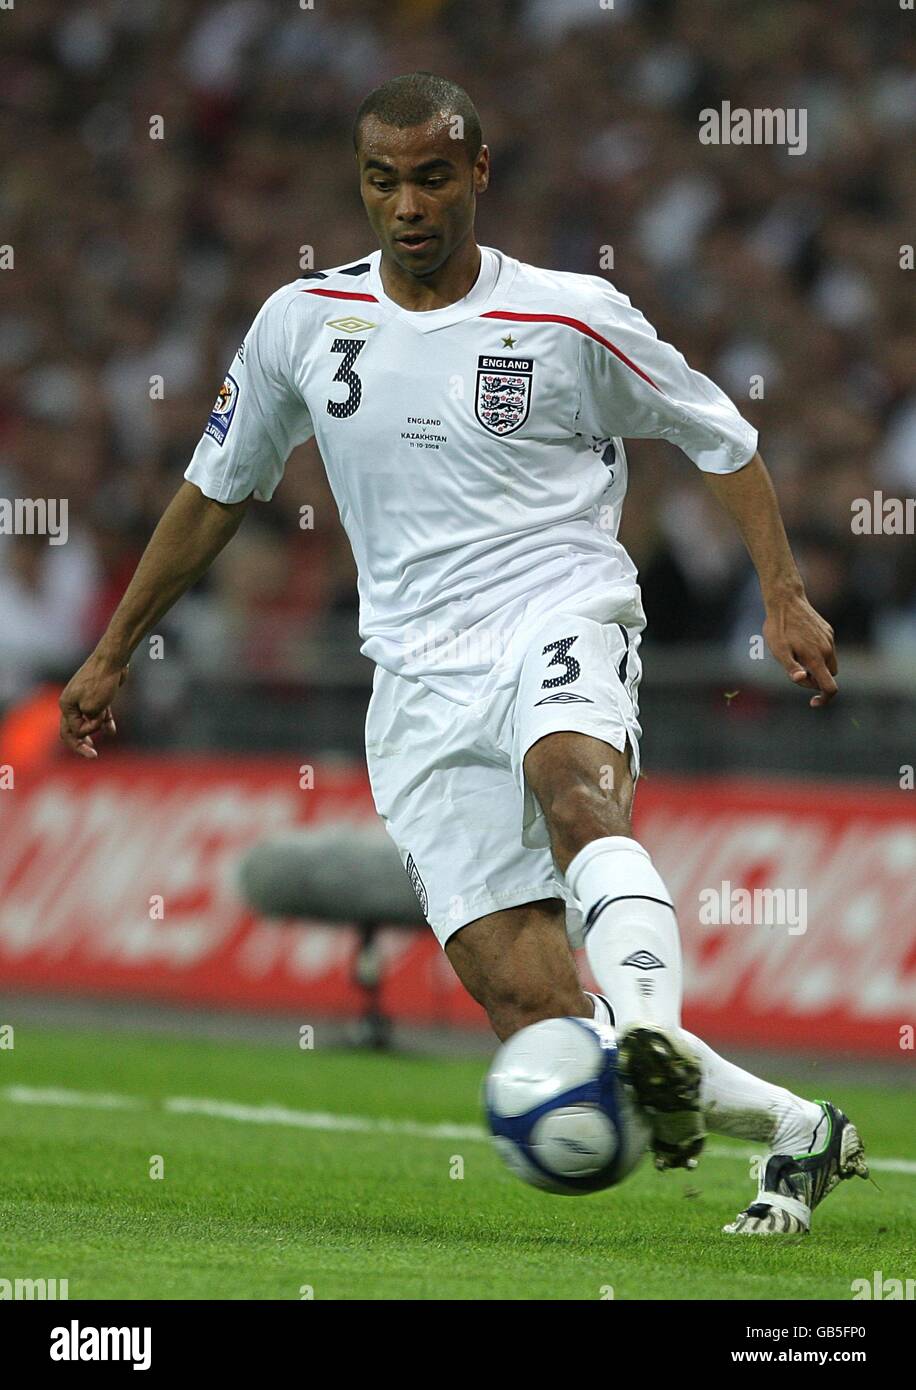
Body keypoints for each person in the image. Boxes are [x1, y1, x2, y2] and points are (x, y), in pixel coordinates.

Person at [59, 73, 867, 1235]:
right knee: (533, 1009)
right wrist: (112, 650)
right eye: (382, 180)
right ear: (361, 184)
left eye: (431, 177)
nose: (406, 205)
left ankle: (645, 1027)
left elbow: (721, 437)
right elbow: (214, 490)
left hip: (557, 612)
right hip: (416, 684)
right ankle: (798, 1130)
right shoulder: (301, 323)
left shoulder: (570, 313)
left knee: (576, 795)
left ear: (477, 175)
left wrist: (783, 595)